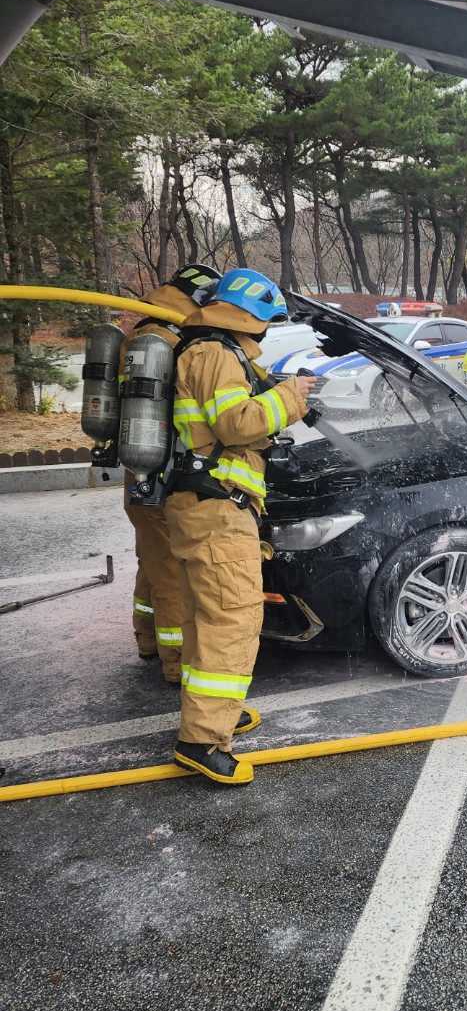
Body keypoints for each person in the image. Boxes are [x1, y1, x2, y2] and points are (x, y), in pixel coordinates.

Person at [166, 269, 315, 785]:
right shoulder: (215, 354)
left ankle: (211, 715)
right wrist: (290, 397)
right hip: (216, 510)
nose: (267, 332)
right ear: (250, 316)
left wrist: (279, 394)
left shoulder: (206, 350)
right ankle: (202, 742)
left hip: (202, 507)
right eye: (267, 322)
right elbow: (236, 425)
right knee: (232, 620)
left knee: (204, 619)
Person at [124, 264, 221, 682]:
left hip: (139, 472)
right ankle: (177, 662)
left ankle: (147, 639)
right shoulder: (174, 342)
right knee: (172, 574)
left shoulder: (143, 333)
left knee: (152, 560)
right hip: (164, 475)